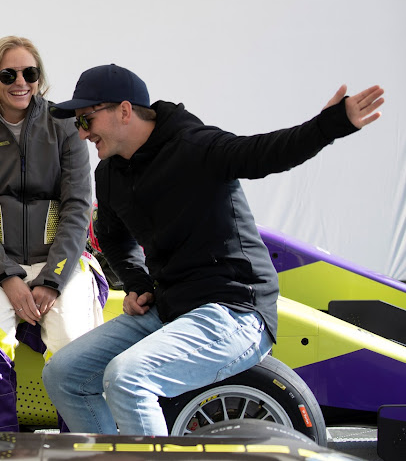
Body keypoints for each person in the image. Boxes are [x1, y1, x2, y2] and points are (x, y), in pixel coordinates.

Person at [42, 63, 385, 435]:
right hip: (171, 307)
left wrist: (329, 126)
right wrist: (137, 281)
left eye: (86, 121)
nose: (82, 135)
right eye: (77, 124)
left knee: (128, 377)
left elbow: (263, 153)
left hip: (235, 310)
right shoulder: (109, 175)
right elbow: (113, 236)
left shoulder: (195, 146)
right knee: (63, 374)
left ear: (124, 111)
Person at [0, 36, 107, 432]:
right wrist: (8, 277)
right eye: (8, 74)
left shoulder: (65, 123)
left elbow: (78, 207)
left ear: (40, 78)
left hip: (60, 264)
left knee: (73, 346)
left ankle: (79, 448)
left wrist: (51, 279)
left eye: (29, 73)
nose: (21, 82)